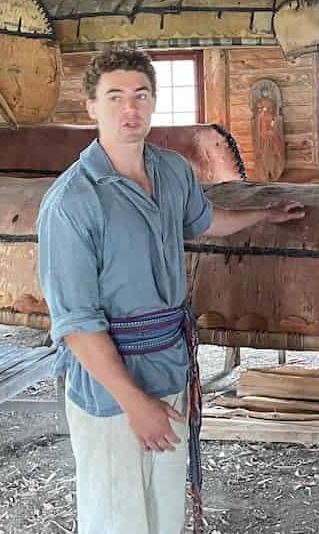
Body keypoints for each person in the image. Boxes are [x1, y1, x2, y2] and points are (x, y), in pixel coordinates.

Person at [37, 48, 305, 534]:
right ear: (91, 107)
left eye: (141, 95)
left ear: (155, 102)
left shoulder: (171, 171)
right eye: (114, 97)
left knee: (164, 510)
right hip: (110, 388)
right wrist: (134, 404)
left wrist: (264, 215)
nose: (130, 109)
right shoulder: (72, 202)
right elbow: (76, 324)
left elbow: (205, 221)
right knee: (116, 516)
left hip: (169, 364)